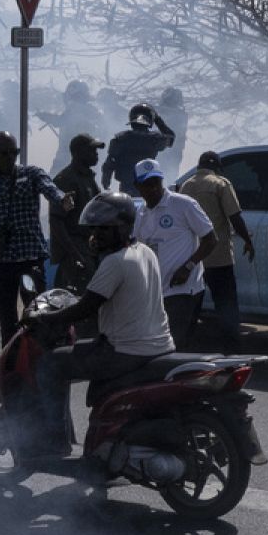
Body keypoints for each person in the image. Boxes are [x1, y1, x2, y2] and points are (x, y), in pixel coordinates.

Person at [25, 191, 175, 457]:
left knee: (50, 364)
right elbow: (107, 297)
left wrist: (44, 318)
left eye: (106, 229)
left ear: (126, 227)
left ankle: (54, 441)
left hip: (123, 352)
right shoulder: (145, 252)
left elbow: (86, 308)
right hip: (159, 346)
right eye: (95, 228)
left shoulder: (116, 262)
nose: (98, 235)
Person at [0, 131, 76, 344]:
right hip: (2, 262)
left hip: (30, 259)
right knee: (6, 318)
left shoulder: (31, 174)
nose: (10, 157)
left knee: (37, 314)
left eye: (14, 152)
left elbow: (50, 189)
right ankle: (10, 363)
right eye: (4, 153)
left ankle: (39, 362)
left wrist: (62, 199)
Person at [133, 158, 216, 346]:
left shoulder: (183, 204)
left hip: (184, 289)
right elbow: (137, 247)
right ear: (137, 186)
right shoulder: (141, 214)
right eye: (147, 184)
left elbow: (211, 240)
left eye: (156, 182)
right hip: (155, 291)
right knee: (159, 343)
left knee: (176, 343)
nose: (153, 188)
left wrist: (187, 267)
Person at [179, 150, 256, 352]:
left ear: (199, 166)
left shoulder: (186, 185)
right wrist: (247, 240)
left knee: (192, 304)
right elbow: (235, 217)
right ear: (217, 167)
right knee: (226, 304)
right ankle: (232, 349)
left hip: (194, 258)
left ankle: (184, 346)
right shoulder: (221, 184)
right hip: (219, 257)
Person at [50, 134, 105, 293]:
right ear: (79, 152)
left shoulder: (88, 177)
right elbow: (57, 221)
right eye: (92, 150)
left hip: (89, 247)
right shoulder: (66, 180)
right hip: (76, 249)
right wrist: (74, 255)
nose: (96, 155)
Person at [101, 103, 175, 196]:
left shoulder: (120, 139)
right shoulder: (155, 139)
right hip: (148, 184)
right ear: (150, 120)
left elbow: (110, 162)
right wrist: (157, 119)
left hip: (126, 186)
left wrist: (106, 181)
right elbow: (171, 137)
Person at [37, 80, 104, 173]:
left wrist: (44, 116)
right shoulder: (92, 110)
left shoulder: (75, 108)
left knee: (55, 179)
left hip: (67, 153)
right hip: (86, 154)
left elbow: (60, 121)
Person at [157, 87, 188, 180]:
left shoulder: (161, 112)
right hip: (172, 151)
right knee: (170, 177)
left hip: (167, 151)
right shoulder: (181, 114)